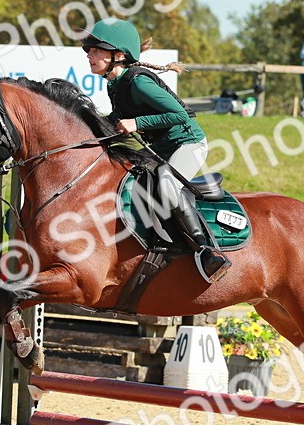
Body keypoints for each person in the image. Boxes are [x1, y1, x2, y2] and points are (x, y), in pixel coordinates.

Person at [82, 17, 230, 283]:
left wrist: (136, 123)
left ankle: (206, 250)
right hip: (160, 147)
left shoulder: (138, 82)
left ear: (118, 55)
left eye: (96, 50)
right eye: (89, 50)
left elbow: (181, 115)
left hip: (188, 143)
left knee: (166, 184)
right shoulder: (114, 83)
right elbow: (118, 120)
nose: (89, 55)